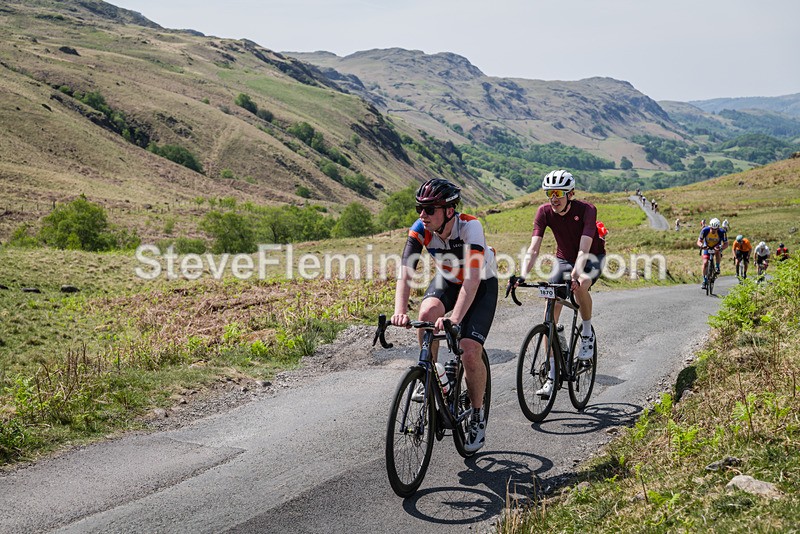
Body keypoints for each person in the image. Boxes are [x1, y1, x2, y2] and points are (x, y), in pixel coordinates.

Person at [392, 178, 497, 453]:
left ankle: (476, 415)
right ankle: (431, 372)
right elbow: (405, 273)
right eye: (419, 208)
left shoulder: (470, 227)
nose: (422, 215)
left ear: (449, 211)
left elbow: (472, 282)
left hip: (481, 283)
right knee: (426, 313)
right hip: (449, 279)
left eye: (429, 209)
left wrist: (455, 319)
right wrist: (400, 311)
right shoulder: (420, 229)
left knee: (469, 350)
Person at [516, 170, 606, 399]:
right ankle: (552, 375)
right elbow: (534, 248)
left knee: (581, 285)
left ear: (570, 193)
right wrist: (522, 276)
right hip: (564, 260)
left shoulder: (586, 210)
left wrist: (576, 274)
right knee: (549, 316)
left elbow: (584, 249)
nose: (553, 198)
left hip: (591, 258)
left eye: (558, 193)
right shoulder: (544, 212)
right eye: (549, 193)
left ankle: (587, 333)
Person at [697, 218, 728, 289]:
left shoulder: (722, 232)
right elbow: (699, 241)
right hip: (707, 247)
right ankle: (704, 281)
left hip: (716, 247)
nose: (713, 231)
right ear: (710, 227)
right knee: (705, 263)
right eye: (712, 229)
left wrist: (721, 248)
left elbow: (726, 244)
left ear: (718, 228)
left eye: (715, 229)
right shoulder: (705, 230)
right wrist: (702, 246)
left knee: (717, 252)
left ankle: (717, 267)